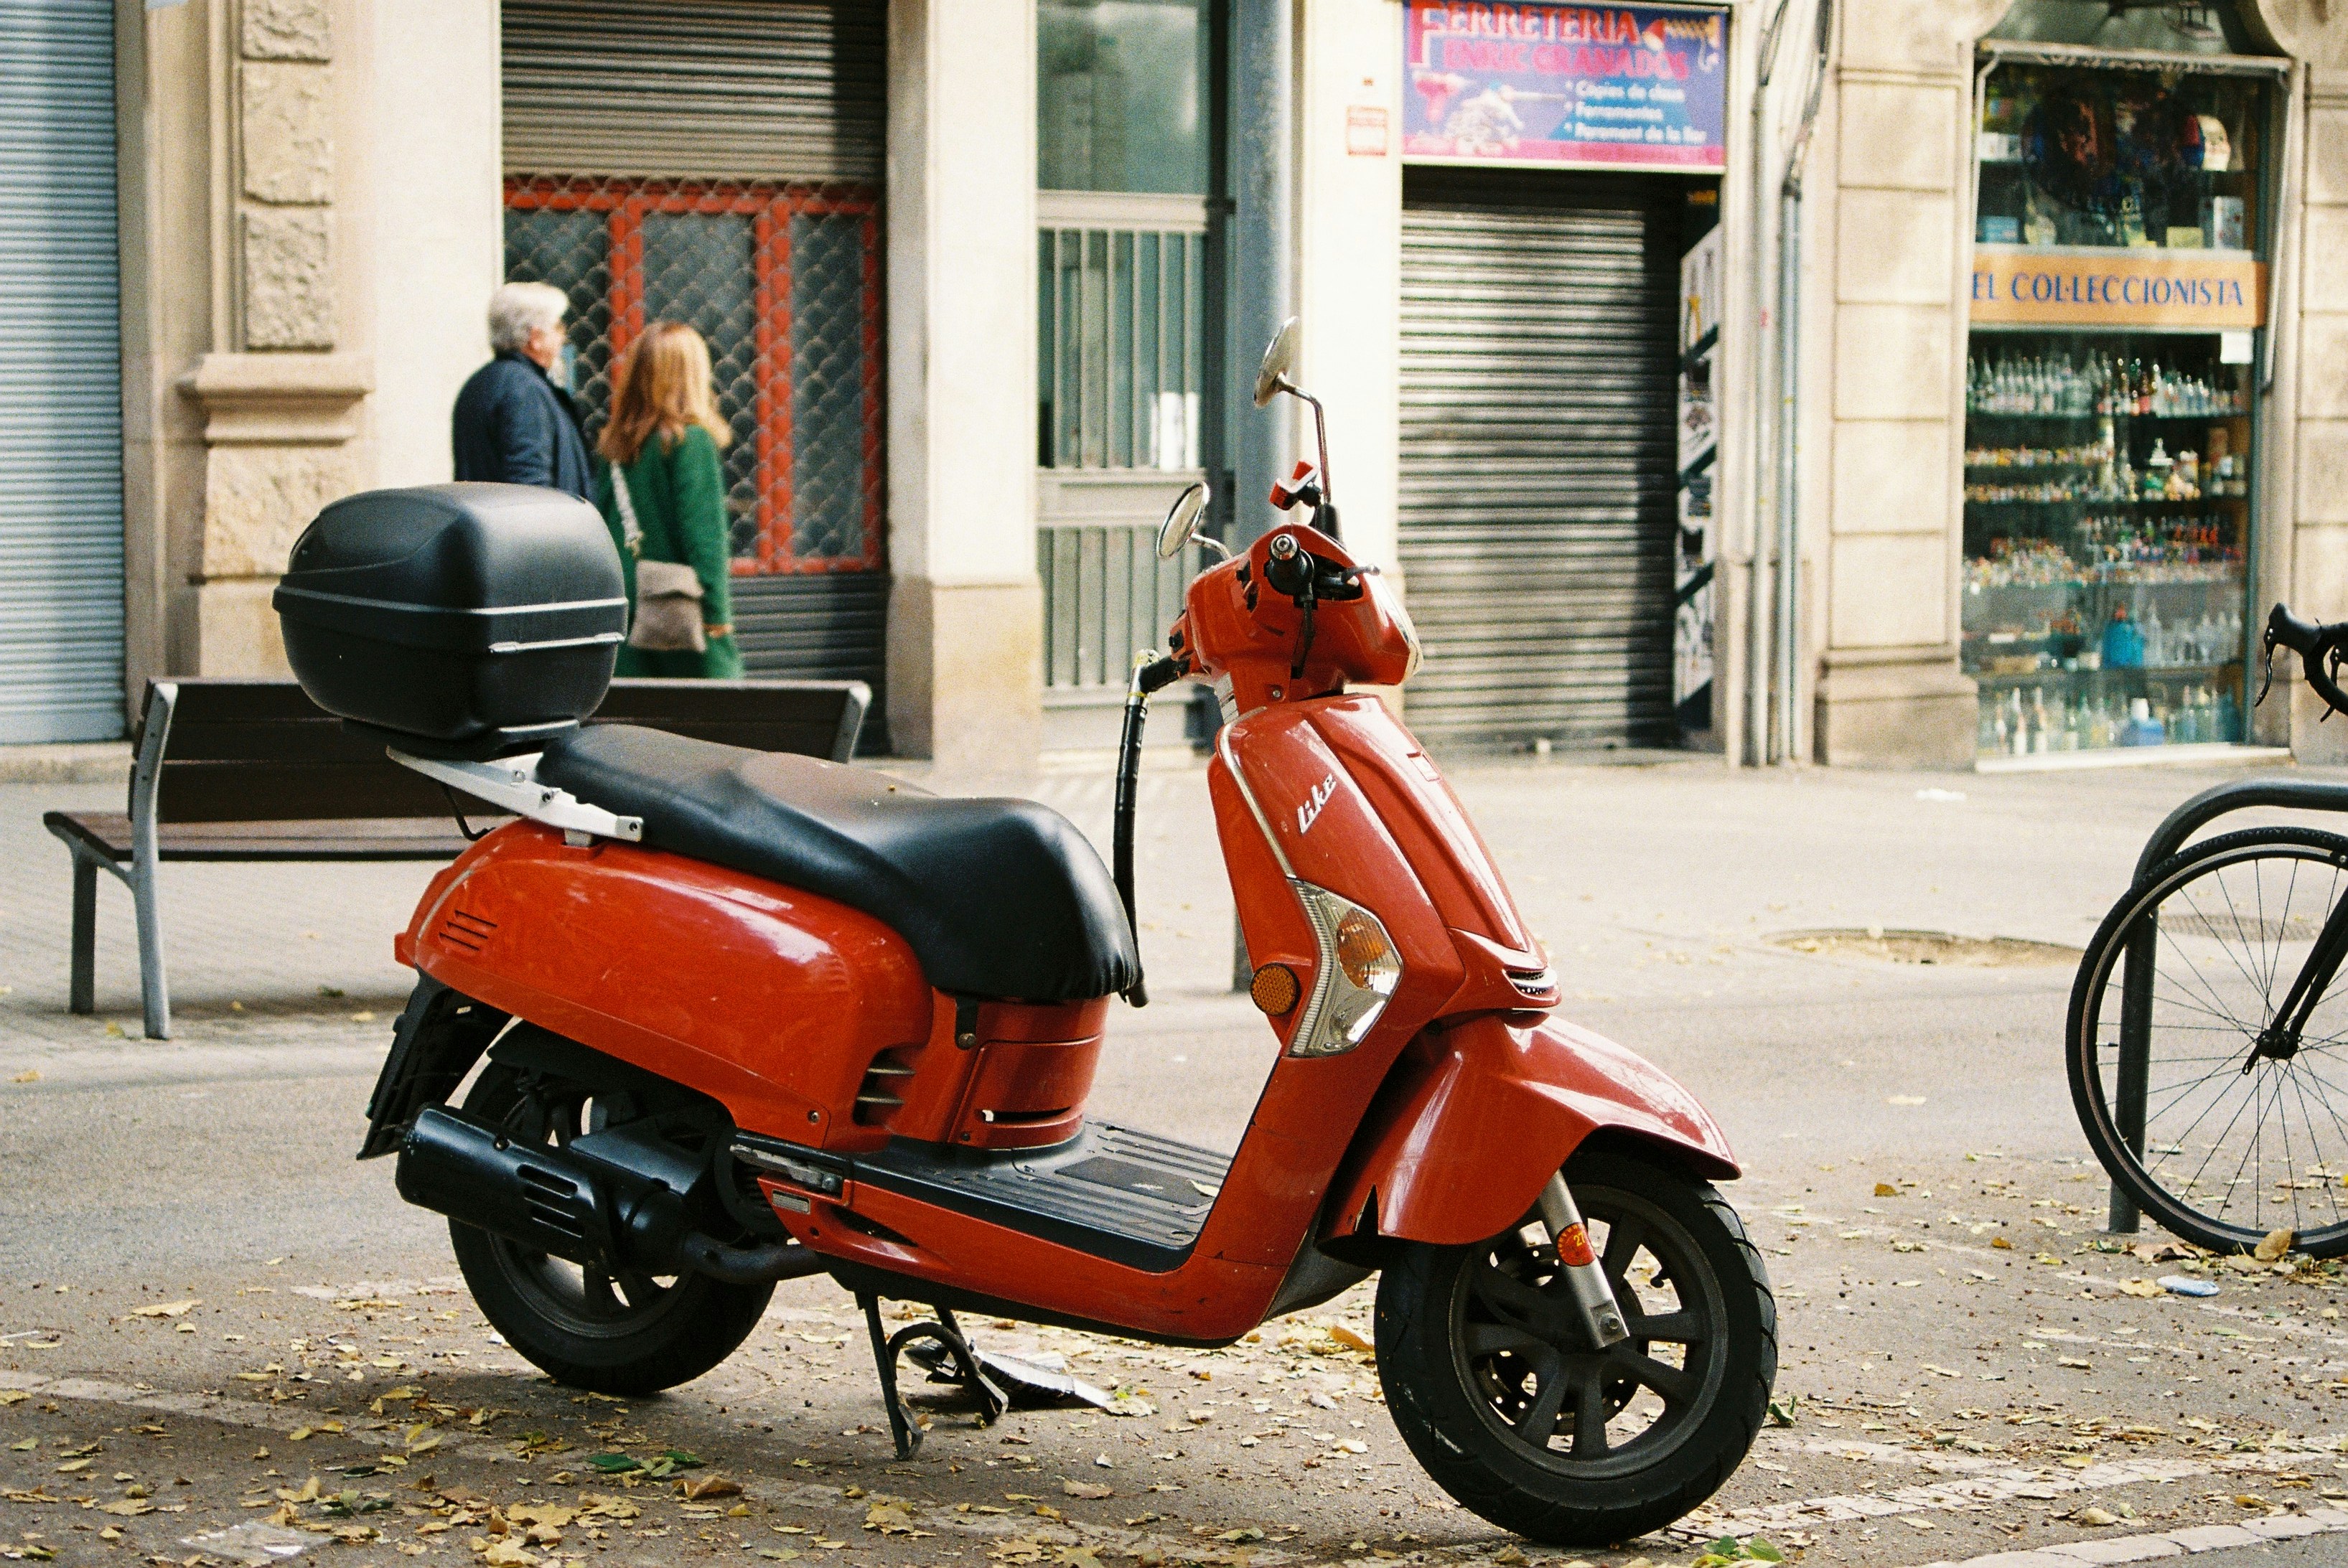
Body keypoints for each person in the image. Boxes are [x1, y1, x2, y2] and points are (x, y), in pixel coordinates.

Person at [594, 321, 742, 678]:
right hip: (678, 611)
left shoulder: (615, 446)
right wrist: (718, 614)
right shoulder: (691, 442)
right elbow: (704, 537)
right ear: (692, 374)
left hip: (624, 609)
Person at [452, 281, 594, 499]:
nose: (563, 337)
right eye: (558, 327)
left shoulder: (478, 384)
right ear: (535, 338)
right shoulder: (525, 390)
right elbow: (532, 491)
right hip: (535, 531)